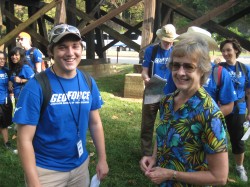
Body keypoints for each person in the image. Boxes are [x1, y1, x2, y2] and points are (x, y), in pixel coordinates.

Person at [13, 24, 109, 186]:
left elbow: (95, 123)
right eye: (62, 47)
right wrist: (34, 182)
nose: (70, 53)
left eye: (75, 46)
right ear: (51, 51)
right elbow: (24, 139)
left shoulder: (88, 81)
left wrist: (102, 159)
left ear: (81, 49)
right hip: (46, 171)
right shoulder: (36, 87)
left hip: (80, 167)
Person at [140, 35, 228, 186]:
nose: (180, 72)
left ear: (202, 70)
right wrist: (153, 157)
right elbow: (164, 132)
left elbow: (219, 177)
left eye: (188, 66)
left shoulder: (210, 114)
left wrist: (171, 174)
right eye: (176, 65)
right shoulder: (167, 101)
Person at [164, 26, 237, 116]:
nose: (181, 72)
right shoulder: (178, 70)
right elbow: (169, 96)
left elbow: (229, 105)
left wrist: (206, 119)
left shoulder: (220, 73)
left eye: (189, 67)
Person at [141, 24, 178, 156]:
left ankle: (164, 151)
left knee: (168, 123)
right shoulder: (152, 50)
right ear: (161, 38)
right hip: (153, 90)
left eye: (171, 41)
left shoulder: (176, 52)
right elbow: (144, 72)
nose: (169, 43)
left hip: (170, 92)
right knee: (147, 123)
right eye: (166, 40)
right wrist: (147, 79)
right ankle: (146, 152)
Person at [219, 38, 250, 182]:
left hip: (239, 109)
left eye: (228, 50)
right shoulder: (218, 68)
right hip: (220, 108)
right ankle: (215, 166)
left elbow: (249, 92)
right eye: (223, 50)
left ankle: (239, 167)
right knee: (217, 138)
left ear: (236, 50)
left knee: (237, 140)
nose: (225, 53)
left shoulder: (245, 69)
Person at [0, 51, 16, 153]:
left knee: (4, 122)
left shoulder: (6, 70)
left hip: (6, 101)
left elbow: (12, 79)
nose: (2, 60)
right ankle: (7, 144)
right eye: (0, 59)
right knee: (3, 124)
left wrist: (11, 83)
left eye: (3, 59)